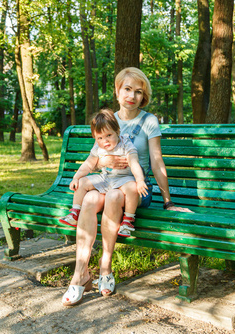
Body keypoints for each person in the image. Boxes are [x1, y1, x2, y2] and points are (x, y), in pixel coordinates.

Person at [62, 67, 191, 307]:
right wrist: (103, 162)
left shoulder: (149, 121)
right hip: (106, 182)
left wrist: (168, 200)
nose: (132, 95)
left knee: (112, 197)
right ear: (118, 90)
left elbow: (156, 160)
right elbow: (96, 154)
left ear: (144, 96)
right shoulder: (109, 119)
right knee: (89, 200)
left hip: (133, 189)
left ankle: (105, 268)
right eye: (127, 89)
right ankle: (80, 274)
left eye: (138, 91)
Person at [59, 108, 148, 238]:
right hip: (106, 179)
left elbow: (134, 163)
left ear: (117, 131)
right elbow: (88, 165)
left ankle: (128, 220)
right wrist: (76, 177)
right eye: (99, 138)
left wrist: (140, 180)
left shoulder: (126, 145)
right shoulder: (98, 148)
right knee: (82, 182)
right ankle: (74, 212)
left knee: (132, 188)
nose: (105, 141)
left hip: (124, 179)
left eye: (109, 135)